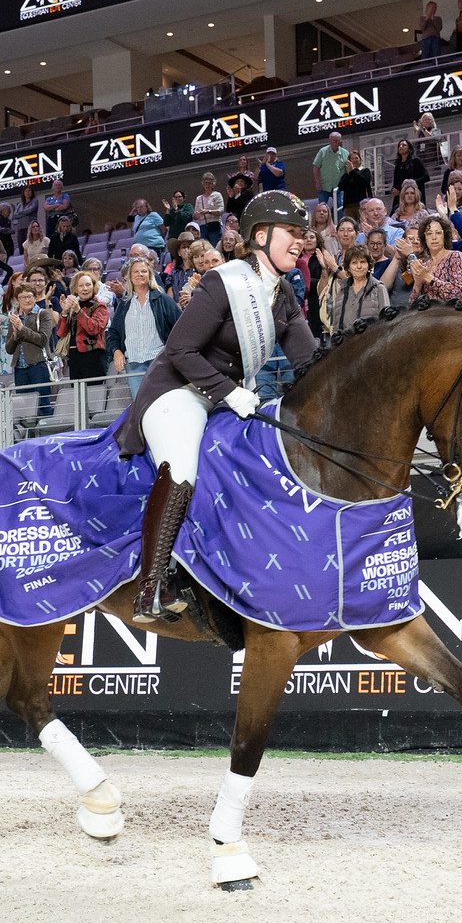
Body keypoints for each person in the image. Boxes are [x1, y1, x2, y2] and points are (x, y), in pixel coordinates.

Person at [114, 191, 317, 625]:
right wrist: (230, 392)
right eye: (292, 232)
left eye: (303, 234)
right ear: (260, 236)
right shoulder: (223, 282)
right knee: (184, 465)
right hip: (177, 391)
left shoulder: (283, 297)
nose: (300, 240)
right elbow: (181, 349)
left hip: (224, 398)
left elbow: (310, 363)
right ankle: (151, 586)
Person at [108, 254, 179, 399]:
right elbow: (113, 332)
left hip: (159, 361)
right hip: (133, 364)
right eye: (136, 271)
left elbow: (179, 327)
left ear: (150, 275)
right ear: (130, 276)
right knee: (141, 407)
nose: (140, 274)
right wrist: (116, 351)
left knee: (161, 403)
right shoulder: (124, 304)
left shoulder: (162, 299)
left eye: (144, 271)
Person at [5, 276, 59, 422]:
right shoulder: (14, 318)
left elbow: (42, 339)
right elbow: (9, 349)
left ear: (35, 298)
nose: (27, 300)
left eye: (30, 296)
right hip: (20, 368)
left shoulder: (43, 314)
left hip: (38, 365)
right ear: (17, 300)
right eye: (23, 297)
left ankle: (47, 436)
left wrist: (22, 329)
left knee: (43, 406)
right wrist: (15, 335)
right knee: (25, 410)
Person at [56, 271, 111, 383]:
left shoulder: (100, 306)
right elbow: (61, 333)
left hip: (93, 356)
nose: (84, 289)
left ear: (93, 286)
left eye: (88, 285)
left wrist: (78, 311)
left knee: (93, 394)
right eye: (80, 286)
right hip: (74, 357)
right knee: (78, 395)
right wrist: (65, 312)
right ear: (75, 289)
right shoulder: (73, 307)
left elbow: (94, 329)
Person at [321, 243, 388, 329]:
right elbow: (336, 322)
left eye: (363, 262)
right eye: (354, 263)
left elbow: (386, 322)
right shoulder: (342, 289)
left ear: (369, 265)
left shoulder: (378, 288)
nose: (359, 266)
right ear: (348, 267)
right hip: (346, 340)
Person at [312, 132, 348, 207]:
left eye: (337, 140)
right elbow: (315, 167)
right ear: (329, 141)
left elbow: (348, 170)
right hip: (324, 186)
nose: (335, 142)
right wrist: (317, 182)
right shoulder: (322, 151)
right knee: (322, 206)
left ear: (340, 141)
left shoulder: (345, 153)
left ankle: (339, 219)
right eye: (333, 140)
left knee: (340, 206)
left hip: (339, 187)